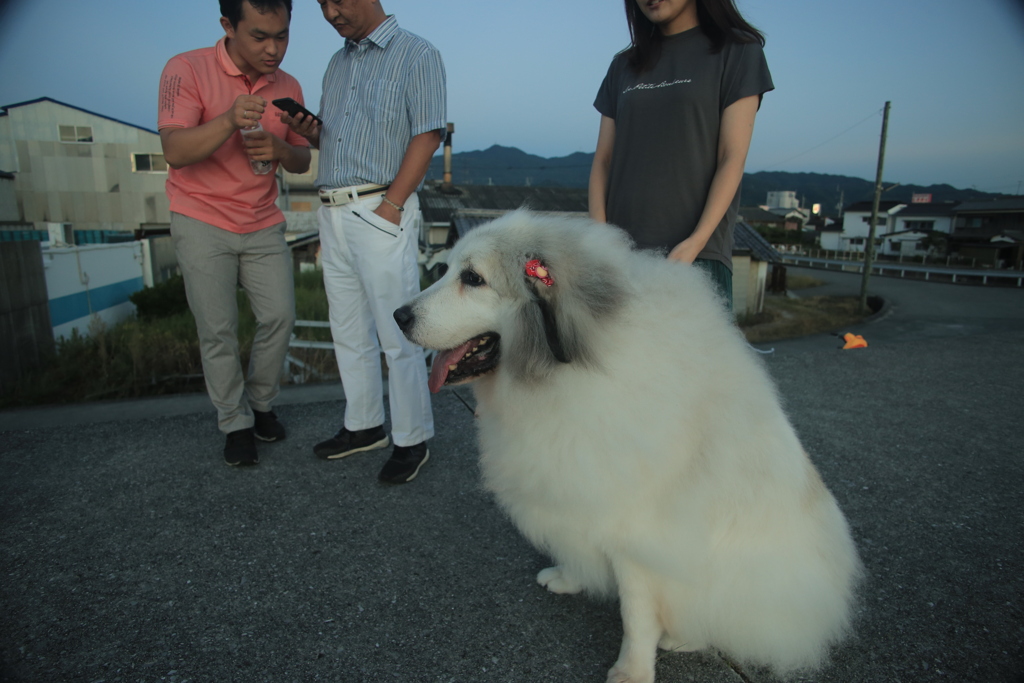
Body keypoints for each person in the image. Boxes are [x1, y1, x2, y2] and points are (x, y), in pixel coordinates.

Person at [284, 0, 446, 484]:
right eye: (321, 4)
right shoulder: (337, 63)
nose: (330, 12)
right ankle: (364, 425)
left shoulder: (416, 53)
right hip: (332, 210)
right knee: (348, 328)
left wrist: (392, 206)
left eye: (338, 0)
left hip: (380, 206)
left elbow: (428, 132)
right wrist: (313, 134)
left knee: (398, 335)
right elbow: (341, 142)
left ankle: (411, 438)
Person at [158, 0, 312, 466]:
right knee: (218, 330)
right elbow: (175, 150)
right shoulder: (185, 68)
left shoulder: (289, 85)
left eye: (282, 35)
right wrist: (228, 119)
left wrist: (282, 148)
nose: (273, 49)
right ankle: (235, 422)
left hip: (262, 220)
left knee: (280, 317)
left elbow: (303, 161)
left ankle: (261, 402)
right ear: (228, 25)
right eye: (260, 36)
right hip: (201, 218)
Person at [589, 0, 774, 310]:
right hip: (619, 262)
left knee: (698, 359)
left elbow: (732, 157)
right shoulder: (623, 65)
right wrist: (600, 242)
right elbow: (602, 160)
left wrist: (696, 242)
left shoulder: (738, 51)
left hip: (694, 258)